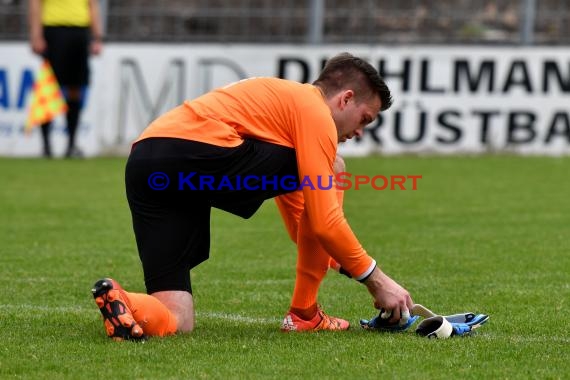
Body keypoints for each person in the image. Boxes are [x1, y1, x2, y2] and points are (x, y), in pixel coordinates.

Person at [91, 52, 414, 340]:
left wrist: (347, 264)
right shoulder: (313, 109)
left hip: (147, 162)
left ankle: (123, 300)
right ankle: (304, 315)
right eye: (364, 119)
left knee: (177, 319)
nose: (359, 132)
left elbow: (307, 229)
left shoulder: (282, 122)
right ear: (345, 99)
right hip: (196, 154)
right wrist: (377, 280)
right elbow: (325, 223)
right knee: (333, 165)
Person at [28, 0, 103, 158]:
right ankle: (46, 145)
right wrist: (36, 35)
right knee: (49, 89)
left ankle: (71, 144)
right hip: (53, 31)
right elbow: (35, 4)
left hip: (80, 32)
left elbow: (92, 5)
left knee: (75, 89)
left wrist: (97, 37)